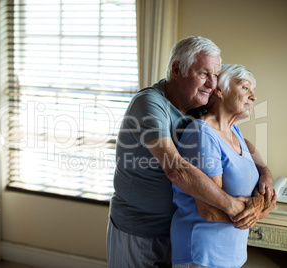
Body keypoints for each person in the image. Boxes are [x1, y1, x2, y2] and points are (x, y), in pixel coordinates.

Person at [107, 36, 274, 268]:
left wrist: (264, 171)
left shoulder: (198, 105)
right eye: (204, 74)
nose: (212, 84)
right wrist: (236, 208)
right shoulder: (150, 104)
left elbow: (237, 140)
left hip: (175, 229)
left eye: (215, 76)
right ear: (177, 69)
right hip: (140, 229)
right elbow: (176, 170)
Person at [171, 64, 276, 268]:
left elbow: (249, 149)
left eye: (254, 91)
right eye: (245, 88)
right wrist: (261, 209)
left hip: (230, 253)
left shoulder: (233, 130)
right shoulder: (203, 134)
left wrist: (266, 172)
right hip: (203, 254)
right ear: (220, 90)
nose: (253, 97)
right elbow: (209, 209)